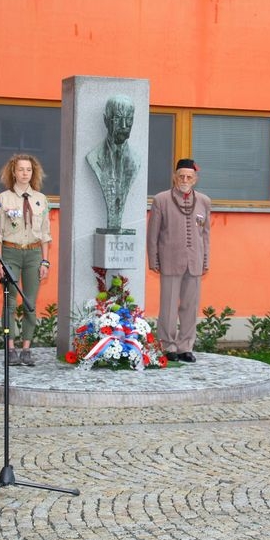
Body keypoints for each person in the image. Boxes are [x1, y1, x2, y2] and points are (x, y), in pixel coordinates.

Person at [146, 158, 211, 363]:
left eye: (189, 177)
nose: (185, 179)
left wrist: (205, 260)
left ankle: (185, 346)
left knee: (190, 307)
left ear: (195, 179)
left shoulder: (204, 201)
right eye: (181, 176)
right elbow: (153, 233)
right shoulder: (161, 199)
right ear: (175, 177)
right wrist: (153, 258)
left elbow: (206, 234)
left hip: (195, 261)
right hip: (170, 259)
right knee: (168, 305)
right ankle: (168, 345)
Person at [0, 153, 52, 366]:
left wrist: (45, 262)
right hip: (10, 253)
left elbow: (45, 234)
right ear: (13, 172)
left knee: (30, 303)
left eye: (28, 170)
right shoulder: (3, 199)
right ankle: (11, 348)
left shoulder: (40, 199)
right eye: (21, 169)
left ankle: (26, 348)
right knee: (9, 302)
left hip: (34, 254)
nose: (25, 173)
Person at [85, 95, 139, 230]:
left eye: (129, 119)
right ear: (106, 121)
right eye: (118, 119)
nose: (124, 125)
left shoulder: (135, 161)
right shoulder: (94, 157)